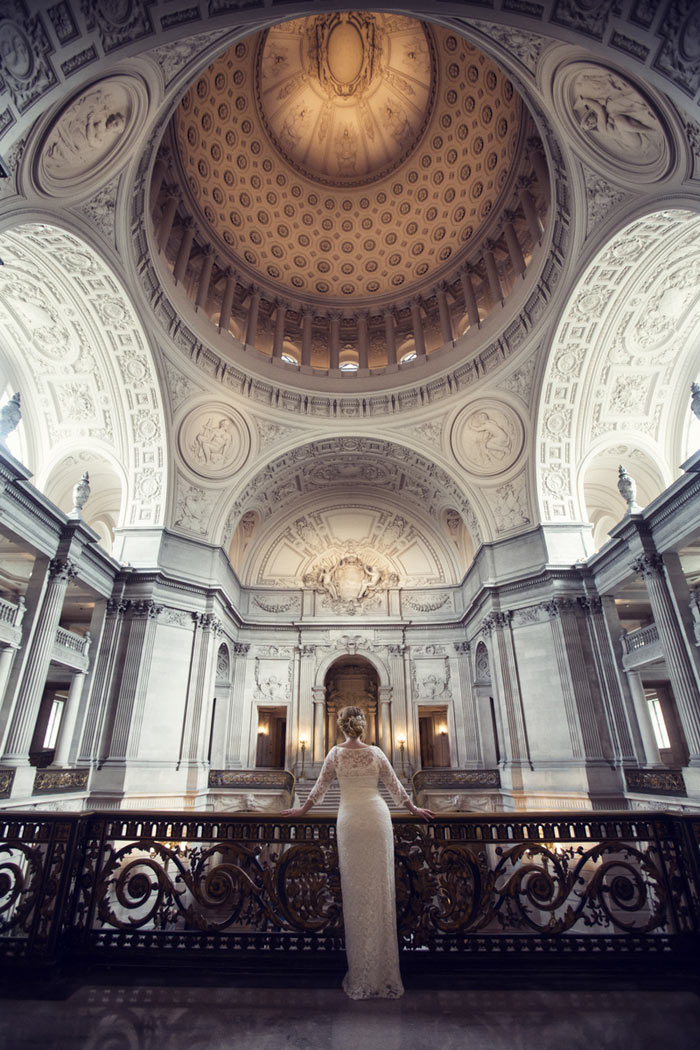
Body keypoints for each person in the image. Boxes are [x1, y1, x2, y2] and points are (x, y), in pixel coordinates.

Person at [282, 706, 433, 999]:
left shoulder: (335, 754)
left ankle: (362, 973)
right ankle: (385, 973)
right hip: (377, 818)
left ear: (342, 727)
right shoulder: (376, 753)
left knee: (355, 894)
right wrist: (414, 809)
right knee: (381, 892)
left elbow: (319, 789)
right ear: (363, 726)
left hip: (350, 820)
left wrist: (302, 809)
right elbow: (395, 788)